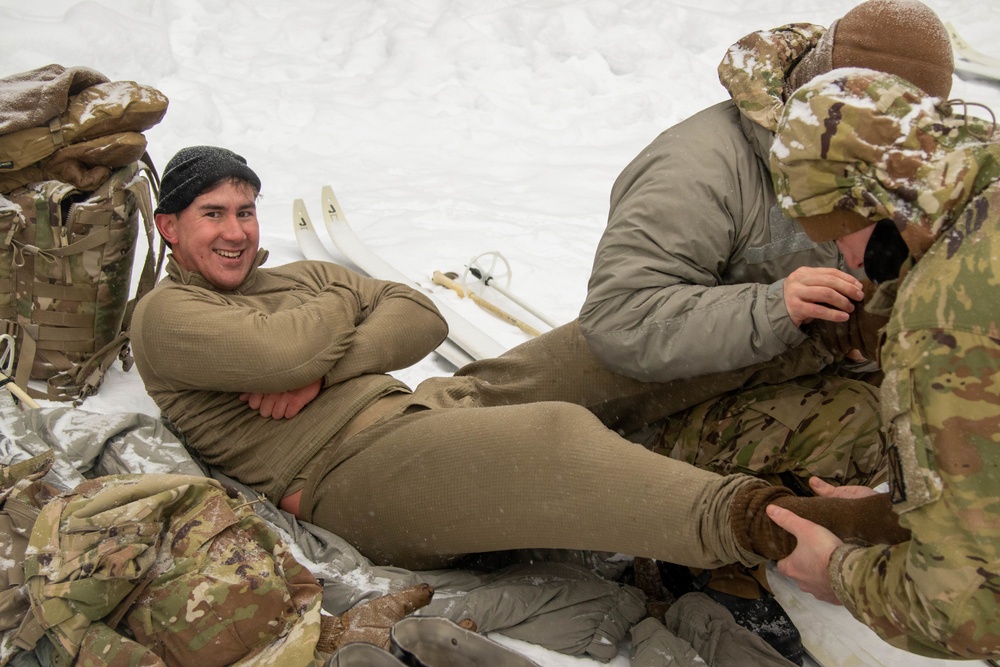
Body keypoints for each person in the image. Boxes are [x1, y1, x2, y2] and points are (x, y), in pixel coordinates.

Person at [130, 145, 907, 579]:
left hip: (425, 407)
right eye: (213, 215)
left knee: (605, 353)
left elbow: (417, 313)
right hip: (347, 479)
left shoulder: (286, 278)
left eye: (245, 211)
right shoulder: (165, 318)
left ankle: (848, 333)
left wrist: (322, 365)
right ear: (168, 226)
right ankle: (786, 525)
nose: (236, 232)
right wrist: (340, 312)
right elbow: (289, 346)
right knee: (555, 439)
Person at [578, 0, 955, 490]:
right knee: (874, 434)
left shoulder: (884, 154)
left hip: (810, 378)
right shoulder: (696, 171)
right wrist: (777, 308)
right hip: (668, 414)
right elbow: (618, 318)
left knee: (952, 415)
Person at [765, 68, 1000, 660]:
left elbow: (971, 613)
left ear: (871, 205)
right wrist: (895, 512)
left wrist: (841, 573)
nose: (849, 260)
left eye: (837, 234)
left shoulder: (944, 319)